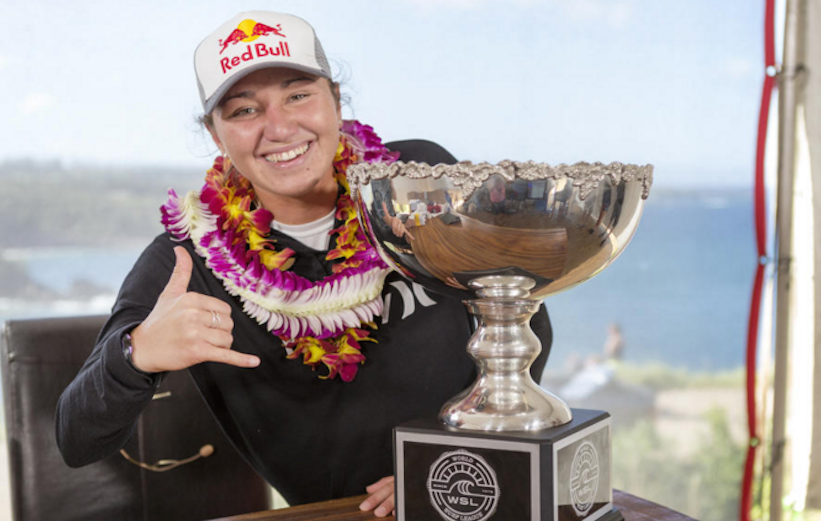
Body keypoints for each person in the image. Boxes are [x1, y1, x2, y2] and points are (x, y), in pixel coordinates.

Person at [55, 10, 553, 518]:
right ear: (215, 133)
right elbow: (76, 439)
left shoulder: (416, 179)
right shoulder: (188, 259)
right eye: (244, 110)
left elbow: (521, 316)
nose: (278, 127)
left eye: (298, 95)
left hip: (480, 489)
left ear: (336, 101)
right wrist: (135, 354)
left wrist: (460, 462)